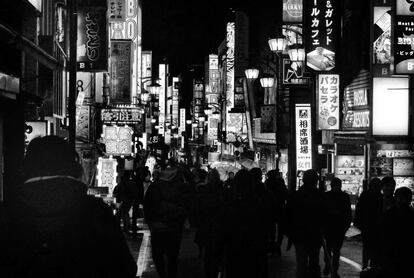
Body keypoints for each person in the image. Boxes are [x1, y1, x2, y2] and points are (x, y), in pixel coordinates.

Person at [0, 136, 136, 277]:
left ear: (26, 167)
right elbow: (124, 267)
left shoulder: (7, 213)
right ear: (74, 166)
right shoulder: (95, 211)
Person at [215, 169, 269, 278]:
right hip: (255, 252)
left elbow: (221, 232)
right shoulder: (259, 204)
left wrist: (218, 255)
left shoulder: (230, 205)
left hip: (234, 252)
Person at [143, 167, 193, 278]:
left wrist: (149, 221)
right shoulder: (180, 187)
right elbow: (187, 205)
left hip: (157, 227)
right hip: (174, 227)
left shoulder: (154, 187)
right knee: (172, 255)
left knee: (158, 254)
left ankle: (163, 274)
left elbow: (148, 206)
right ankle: (171, 275)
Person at [286, 169, 325, 278]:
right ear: (316, 181)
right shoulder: (320, 196)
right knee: (314, 263)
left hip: (300, 235)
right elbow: (324, 215)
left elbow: (289, 215)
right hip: (314, 234)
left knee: (301, 264)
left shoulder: (296, 195)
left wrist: (290, 233)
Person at [380, 186, 414, 277]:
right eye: (400, 198)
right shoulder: (409, 215)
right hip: (399, 253)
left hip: (395, 253)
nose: (402, 201)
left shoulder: (388, 215)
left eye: (404, 198)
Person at [323, 178, 352, 278]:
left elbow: (323, 213)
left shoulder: (326, 196)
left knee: (329, 248)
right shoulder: (345, 196)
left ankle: (329, 266)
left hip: (329, 228)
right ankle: (334, 270)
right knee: (336, 250)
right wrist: (346, 226)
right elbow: (348, 213)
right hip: (339, 228)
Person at [354, 178, 383, 269]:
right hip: (375, 226)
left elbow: (359, 210)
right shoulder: (380, 196)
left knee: (367, 246)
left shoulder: (365, 195)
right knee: (374, 247)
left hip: (367, 225)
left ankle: (365, 265)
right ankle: (372, 265)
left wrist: (357, 223)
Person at [266, 170, 288, 256]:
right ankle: (278, 245)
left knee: (271, 228)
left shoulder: (268, 183)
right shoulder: (280, 182)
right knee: (280, 229)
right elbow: (286, 194)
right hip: (280, 208)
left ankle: (272, 245)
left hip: (270, 209)